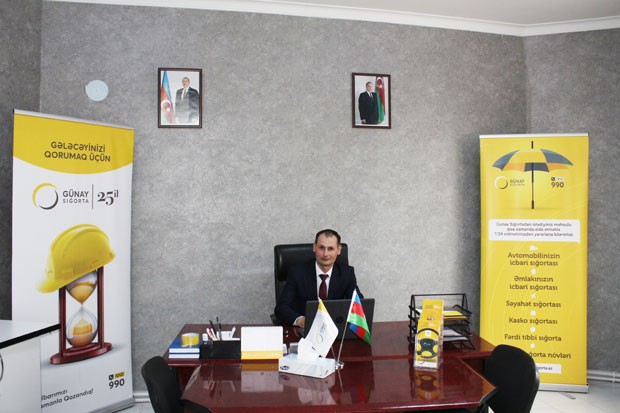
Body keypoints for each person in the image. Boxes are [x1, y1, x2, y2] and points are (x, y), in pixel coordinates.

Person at [274, 229, 362, 328]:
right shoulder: (297, 273)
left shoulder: (347, 273)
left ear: (338, 250)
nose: (325, 254)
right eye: (321, 248)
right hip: (305, 330)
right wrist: (300, 320)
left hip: (335, 329)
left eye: (330, 249)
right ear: (314, 247)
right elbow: (281, 308)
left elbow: (359, 304)